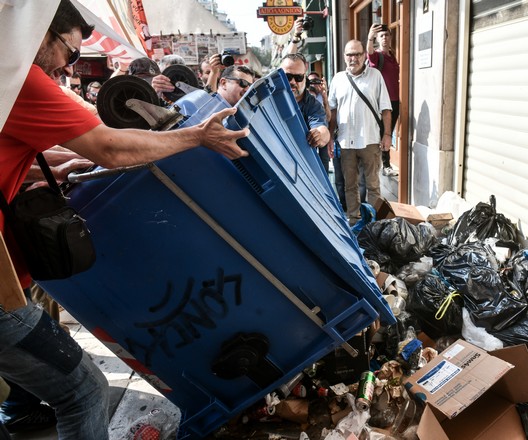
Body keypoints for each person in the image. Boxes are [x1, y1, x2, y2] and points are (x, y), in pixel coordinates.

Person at [0, 1, 249, 438]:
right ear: (41, 33)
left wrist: (58, 165)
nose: (67, 67)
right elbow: (110, 147)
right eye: (71, 53)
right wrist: (197, 136)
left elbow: (42, 147)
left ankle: (16, 412)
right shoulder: (20, 79)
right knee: (85, 392)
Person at [328, 40, 392, 225]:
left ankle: (373, 222)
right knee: (350, 185)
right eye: (349, 54)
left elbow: (386, 108)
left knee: (373, 185)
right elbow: (332, 111)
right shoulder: (338, 79)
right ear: (344, 56)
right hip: (346, 141)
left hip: (370, 140)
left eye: (357, 54)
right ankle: (354, 220)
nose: (353, 58)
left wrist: (387, 135)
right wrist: (331, 138)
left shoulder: (375, 75)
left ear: (365, 55)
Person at [367, 23, 400, 177]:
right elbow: (369, 52)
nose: (385, 38)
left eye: (387, 35)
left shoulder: (392, 56)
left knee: (389, 132)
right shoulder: (377, 56)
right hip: (382, 102)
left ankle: (383, 162)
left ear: (390, 37)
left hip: (395, 100)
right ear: (378, 39)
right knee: (383, 133)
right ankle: (384, 165)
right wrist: (369, 37)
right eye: (381, 36)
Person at [280, 54, 330, 149]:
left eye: (298, 77)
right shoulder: (269, 98)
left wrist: (319, 134)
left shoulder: (313, 105)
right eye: (288, 76)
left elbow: (322, 129)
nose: (293, 82)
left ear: (304, 78)